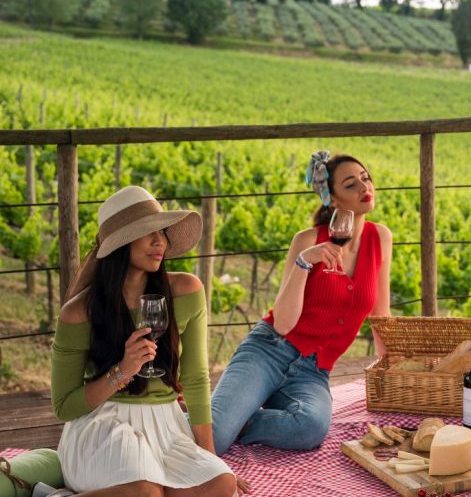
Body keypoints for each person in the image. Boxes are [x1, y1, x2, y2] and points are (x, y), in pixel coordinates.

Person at [51, 186, 239, 497]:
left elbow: (194, 378)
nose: (160, 241)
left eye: (163, 232)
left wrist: (210, 458)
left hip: (165, 426)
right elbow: (63, 407)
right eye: (148, 233)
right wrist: (122, 371)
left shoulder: (187, 291)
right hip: (103, 426)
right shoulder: (78, 312)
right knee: (146, 492)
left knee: (222, 484)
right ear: (120, 243)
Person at [211, 151, 393, 454]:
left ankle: (238, 421)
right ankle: (210, 421)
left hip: (313, 372)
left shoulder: (381, 238)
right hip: (269, 351)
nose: (364, 187)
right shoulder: (307, 241)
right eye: (351, 185)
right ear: (332, 199)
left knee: (310, 428)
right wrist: (303, 264)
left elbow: (381, 316)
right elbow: (283, 324)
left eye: (365, 178)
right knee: (214, 440)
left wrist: (391, 371)